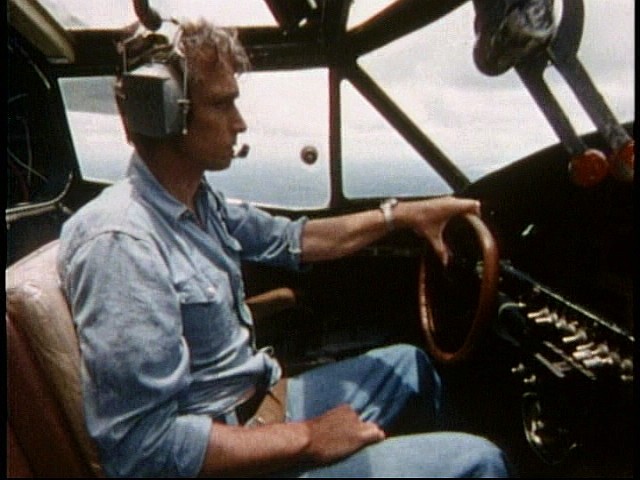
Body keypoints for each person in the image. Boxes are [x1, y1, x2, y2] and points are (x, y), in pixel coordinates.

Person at [57, 19, 510, 478]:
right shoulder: (122, 245)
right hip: (232, 458)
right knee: (481, 461)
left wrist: (403, 216)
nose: (240, 122)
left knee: (413, 368)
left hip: (262, 405)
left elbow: (292, 239)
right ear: (166, 112)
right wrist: (309, 438)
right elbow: (142, 451)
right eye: (222, 103)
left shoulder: (198, 201)